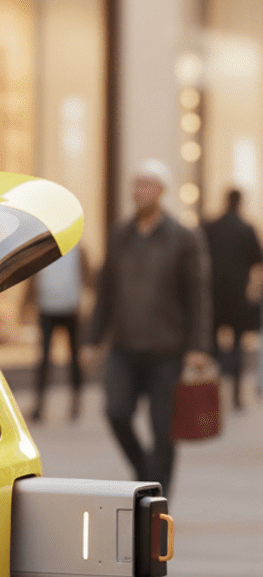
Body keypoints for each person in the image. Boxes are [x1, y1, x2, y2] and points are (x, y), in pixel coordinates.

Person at [90, 159, 213, 496]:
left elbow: (198, 294)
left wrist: (199, 346)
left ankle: (159, 500)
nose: (138, 191)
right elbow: (106, 291)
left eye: (145, 185)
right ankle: (145, 471)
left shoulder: (184, 238)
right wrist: (93, 338)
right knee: (116, 412)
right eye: (135, 184)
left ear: (161, 191)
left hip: (166, 351)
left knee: (164, 431)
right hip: (124, 347)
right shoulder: (119, 235)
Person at [201, 188, 263, 410]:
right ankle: (236, 393)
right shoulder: (245, 229)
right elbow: (258, 259)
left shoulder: (210, 227)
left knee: (213, 347)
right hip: (237, 296)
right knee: (237, 345)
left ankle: (214, 394)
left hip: (213, 295)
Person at [30, 244, 86, 423]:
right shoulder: (43, 250)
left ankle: (75, 404)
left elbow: (86, 275)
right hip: (47, 308)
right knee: (45, 359)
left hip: (71, 309)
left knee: (74, 359)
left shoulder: (78, 250)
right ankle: (39, 405)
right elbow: (34, 279)